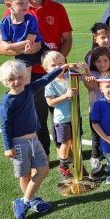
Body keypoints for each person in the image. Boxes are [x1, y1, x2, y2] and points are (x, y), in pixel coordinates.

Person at [0, 0, 73, 159]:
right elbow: (1, 48)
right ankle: (43, 157)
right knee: (37, 118)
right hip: (31, 75)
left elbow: (68, 39)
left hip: (57, 74)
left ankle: (66, 157)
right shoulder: (13, 12)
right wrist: (24, 47)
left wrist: (57, 65)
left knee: (63, 116)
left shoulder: (57, 8)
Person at [0, 60, 78, 219]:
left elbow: (45, 79)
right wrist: (8, 147)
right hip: (19, 144)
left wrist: (62, 68)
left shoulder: (29, 89)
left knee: (44, 170)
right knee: (25, 175)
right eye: (12, 79)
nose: (17, 82)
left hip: (34, 140)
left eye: (20, 77)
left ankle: (24, 201)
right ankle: (32, 200)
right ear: (5, 82)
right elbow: (4, 126)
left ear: (26, 77)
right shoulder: (6, 103)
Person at [42, 51, 82, 179]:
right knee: (65, 142)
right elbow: (50, 102)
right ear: (46, 69)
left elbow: (83, 76)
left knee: (74, 141)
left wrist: (79, 67)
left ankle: (77, 164)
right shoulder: (49, 83)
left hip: (74, 116)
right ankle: (63, 165)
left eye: (60, 64)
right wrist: (66, 96)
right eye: (53, 65)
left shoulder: (69, 77)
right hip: (62, 119)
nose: (58, 67)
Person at [83, 46, 110, 176]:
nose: (102, 64)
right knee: (96, 137)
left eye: (105, 60)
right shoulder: (92, 75)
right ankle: (95, 160)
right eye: (98, 61)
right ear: (93, 63)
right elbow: (91, 87)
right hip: (95, 111)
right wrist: (87, 74)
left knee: (109, 134)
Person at [0, 0, 45, 72]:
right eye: (20, 3)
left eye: (27, 2)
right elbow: (5, 45)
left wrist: (10, 46)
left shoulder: (31, 19)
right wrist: (9, 46)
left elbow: (28, 43)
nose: (25, 6)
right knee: (21, 73)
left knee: (53, 59)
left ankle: (61, 82)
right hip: (24, 54)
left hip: (40, 50)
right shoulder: (4, 23)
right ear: (9, 5)